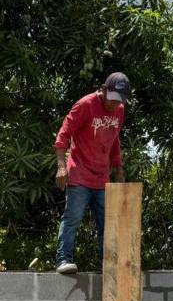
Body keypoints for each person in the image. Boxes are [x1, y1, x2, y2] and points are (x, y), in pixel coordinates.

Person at [52, 72, 130, 274]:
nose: (114, 105)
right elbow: (63, 135)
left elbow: (114, 141)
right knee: (73, 218)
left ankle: (109, 265)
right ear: (104, 90)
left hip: (101, 177)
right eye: (112, 99)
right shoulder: (85, 105)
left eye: (119, 101)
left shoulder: (119, 111)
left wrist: (119, 170)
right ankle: (63, 259)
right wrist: (61, 167)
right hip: (79, 174)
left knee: (107, 222)